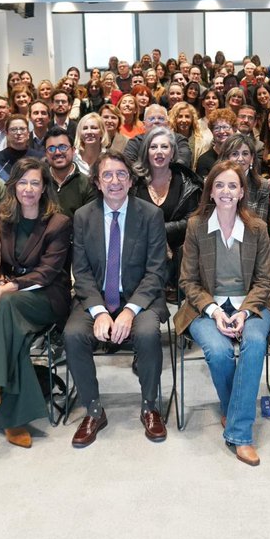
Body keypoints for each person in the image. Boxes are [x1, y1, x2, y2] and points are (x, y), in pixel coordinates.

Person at [0, 158, 72, 449]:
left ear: (44, 187)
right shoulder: (3, 218)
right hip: (11, 300)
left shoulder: (58, 223)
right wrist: (0, 281)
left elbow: (47, 272)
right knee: (14, 337)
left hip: (48, 297)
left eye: (35, 182)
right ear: (13, 186)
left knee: (7, 307)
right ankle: (12, 417)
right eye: (22, 182)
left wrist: (1, 290)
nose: (28, 189)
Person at [65, 151, 170, 448]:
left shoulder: (151, 215)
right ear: (97, 182)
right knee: (73, 334)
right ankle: (93, 410)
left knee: (147, 333)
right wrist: (99, 312)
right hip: (96, 298)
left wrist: (129, 311)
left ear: (131, 180)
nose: (115, 181)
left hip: (140, 298)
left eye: (122, 174)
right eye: (107, 175)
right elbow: (81, 272)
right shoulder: (83, 216)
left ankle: (150, 406)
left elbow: (156, 271)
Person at [175, 161, 270, 466]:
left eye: (233, 185)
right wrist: (215, 311)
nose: (226, 191)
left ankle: (240, 432)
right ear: (210, 191)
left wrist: (244, 313)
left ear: (242, 192)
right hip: (206, 306)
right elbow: (188, 281)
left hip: (253, 305)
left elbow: (265, 281)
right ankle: (235, 409)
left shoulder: (257, 228)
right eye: (219, 185)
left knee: (254, 343)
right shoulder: (196, 226)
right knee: (218, 351)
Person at [131, 126, 202, 285]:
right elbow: (128, 219)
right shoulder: (133, 182)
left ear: (172, 152)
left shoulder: (186, 181)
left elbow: (191, 220)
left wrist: (160, 232)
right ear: (146, 151)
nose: (159, 152)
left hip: (178, 256)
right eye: (153, 147)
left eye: (164, 147)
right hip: (139, 253)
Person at [41, 126, 99, 219]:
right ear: (45, 153)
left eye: (63, 147)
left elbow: (90, 220)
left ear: (73, 150)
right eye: (51, 149)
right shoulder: (40, 181)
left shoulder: (87, 184)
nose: (57, 152)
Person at [220, 133, 270, 227]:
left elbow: (259, 227)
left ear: (252, 158)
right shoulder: (215, 183)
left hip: (250, 234)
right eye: (235, 154)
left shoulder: (262, 186)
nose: (240, 159)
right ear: (226, 157)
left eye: (245, 154)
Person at [124, 104, 193, 170]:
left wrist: (164, 172)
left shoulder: (179, 140)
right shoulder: (135, 142)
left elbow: (183, 159)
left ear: (168, 123)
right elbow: (129, 164)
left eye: (161, 118)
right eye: (151, 119)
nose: (156, 121)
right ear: (144, 124)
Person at [0, 115, 35, 181]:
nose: (18, 133)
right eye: (13, 129)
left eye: (22, 129)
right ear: (6, 133)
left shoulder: (40, 158)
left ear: (28, 133)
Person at [195, 108, 238, 176]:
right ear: (212, 131)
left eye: (225, 127)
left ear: (234, 129)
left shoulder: (241, 156)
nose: (221, 131)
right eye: (217, 128)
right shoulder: (204, 160)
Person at [74, 111, 107, 176]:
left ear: (102, 132)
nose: (89, 132)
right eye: (85, 128)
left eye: (94, 128)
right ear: (80, 133)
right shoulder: (73, 158)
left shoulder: (109, 158)